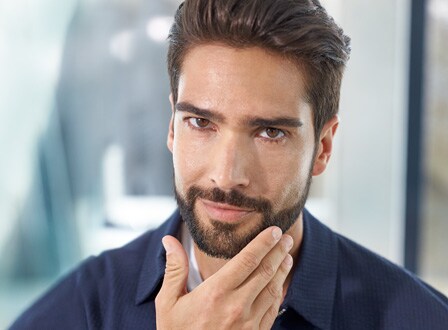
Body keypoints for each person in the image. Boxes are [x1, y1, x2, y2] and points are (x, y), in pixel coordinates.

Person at [11, 0, 448, 329]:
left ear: (323, 146)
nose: (227, 175)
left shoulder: (420, 318)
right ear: (171, 127)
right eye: (201, 122)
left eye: (270, 133)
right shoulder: (81, 310)